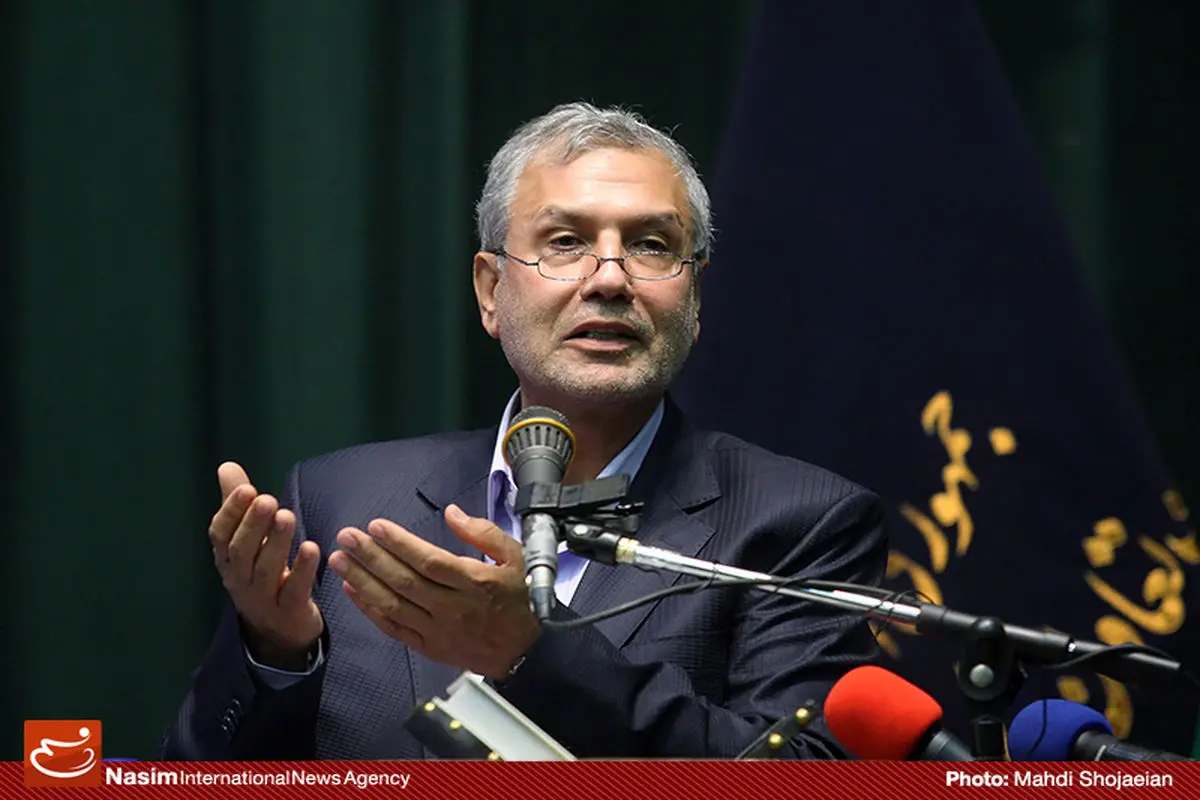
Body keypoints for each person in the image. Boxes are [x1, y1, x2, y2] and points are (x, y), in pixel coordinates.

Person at [163, 102, 888, 760]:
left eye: (651, 246)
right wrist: (276, 654)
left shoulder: (798, 524)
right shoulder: (338, 500)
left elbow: (802, 777)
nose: (609, 278)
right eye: (566, 241)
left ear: (694, 299)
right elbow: (190, 773)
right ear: (490, 291)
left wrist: (535, 654)